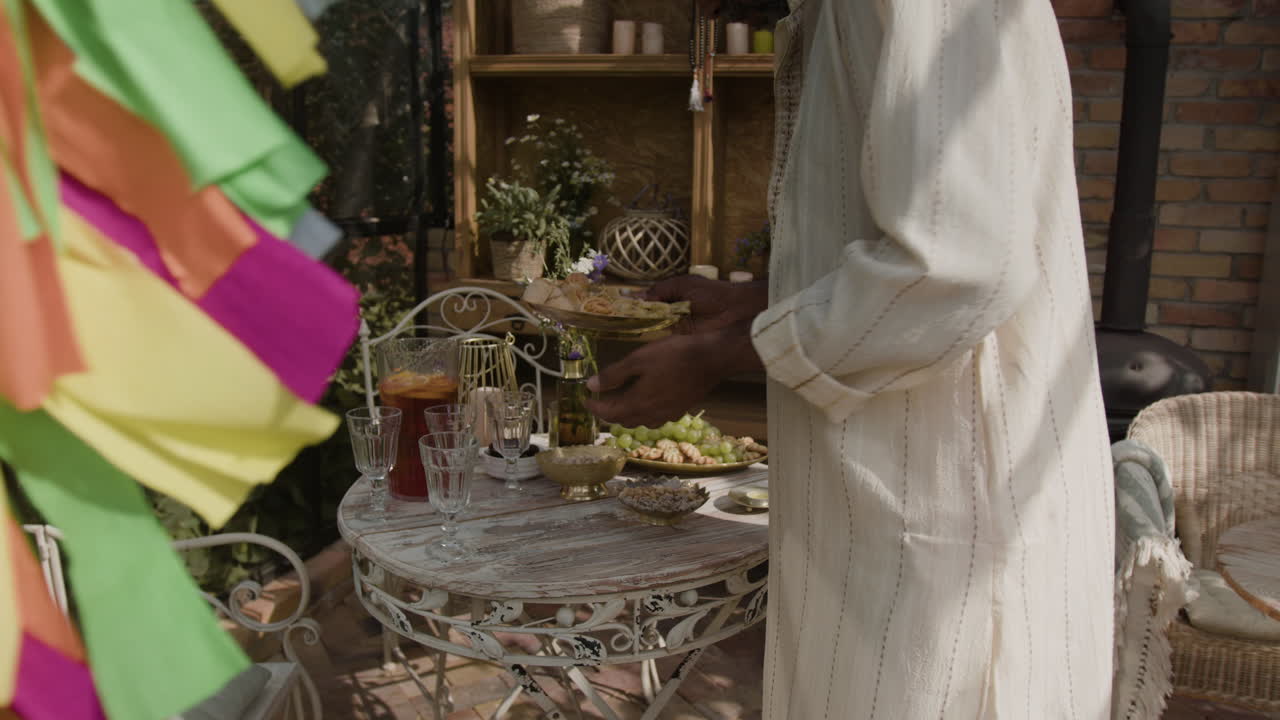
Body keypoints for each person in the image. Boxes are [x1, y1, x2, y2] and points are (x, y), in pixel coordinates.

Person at [585, 0, 1115, 717]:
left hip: (942, 510)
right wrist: (758, 305)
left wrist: (722, 355)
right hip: (897, 505)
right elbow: (909, 232)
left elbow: (954, 264)